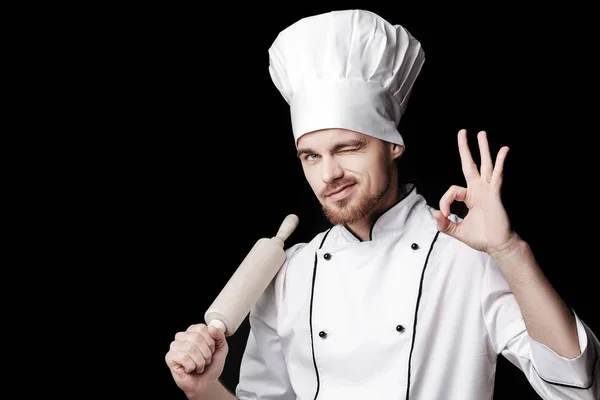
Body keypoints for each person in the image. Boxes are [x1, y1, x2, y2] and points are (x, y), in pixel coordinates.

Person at [165, 9, 599, 399]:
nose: (328, 173)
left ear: (393, 144)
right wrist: (203, 388)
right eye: (311, 156)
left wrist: (509, 252)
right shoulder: (288, 274)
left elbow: (577, 387)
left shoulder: (465, 256)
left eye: (348, 147)